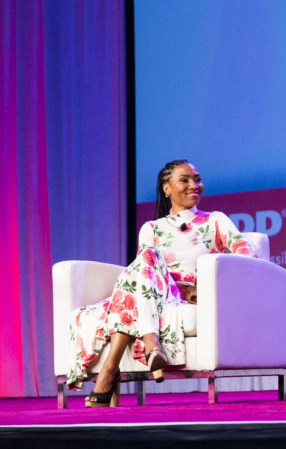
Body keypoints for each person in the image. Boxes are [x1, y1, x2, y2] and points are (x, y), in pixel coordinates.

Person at [67, 159, 256, 407]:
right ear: (167, 188)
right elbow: (142, 274)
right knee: (147, 257)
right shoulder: (152, 228)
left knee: (135, 283)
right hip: (154, 296)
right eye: (185, 180)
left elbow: (247, 255)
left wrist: (208, 288)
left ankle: (111, 370)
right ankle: (149, 342)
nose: (194, 185)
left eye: (197, 179)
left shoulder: (215, 220)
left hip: (184, 297)